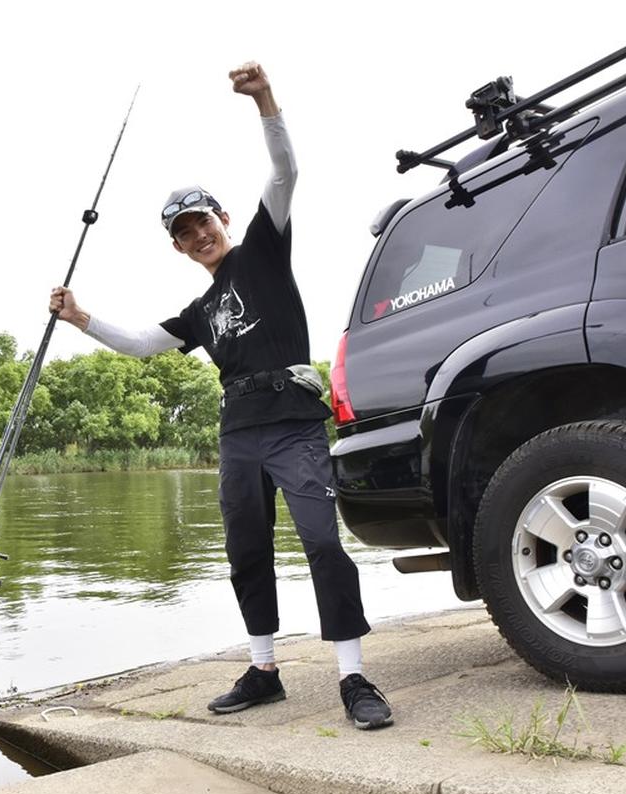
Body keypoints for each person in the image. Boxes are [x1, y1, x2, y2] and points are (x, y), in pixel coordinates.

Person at [50, 63, 393, 729]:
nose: (198, 234)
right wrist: (81, 318)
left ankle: (353, 677)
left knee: (322, 542)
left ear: (223, 219)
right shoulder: (200, 306)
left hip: (294, 423)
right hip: (238, 433)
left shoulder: (263, 251)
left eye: (202, 221)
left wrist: (264, 99)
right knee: (245, 551)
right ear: (179, 247)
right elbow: (146, 343)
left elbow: (286, 172)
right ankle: (265, 670)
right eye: (184, 232)